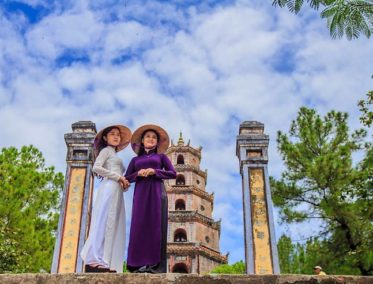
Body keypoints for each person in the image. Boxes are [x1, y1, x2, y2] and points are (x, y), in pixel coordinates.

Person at [125, 124, 176, 273]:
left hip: (157, 192)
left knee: (155, 226)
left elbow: (172, 173)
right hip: (140, 193)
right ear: (142, 140)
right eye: (148, 136)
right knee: (138, 225)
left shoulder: (161, 157)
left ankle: (155, 265)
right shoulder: (135, 160)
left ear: (157, 142)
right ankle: (136, 265)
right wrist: (138, 174)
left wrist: (155, 171)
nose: (151, 139)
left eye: (154, 137)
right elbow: (127, 178)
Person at [80, 124, 132, 273]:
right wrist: (118, 177)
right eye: (112, 134)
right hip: (108, 188)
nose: (116, 136)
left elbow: (118, 176)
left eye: (118, 135)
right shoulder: (105, 151)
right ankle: (96, 259)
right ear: (105, 137)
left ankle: (107, 260)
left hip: (117, 190)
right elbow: (96, 167)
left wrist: (124, 183)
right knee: (104, 221)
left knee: (113, 224)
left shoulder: (116, 156)